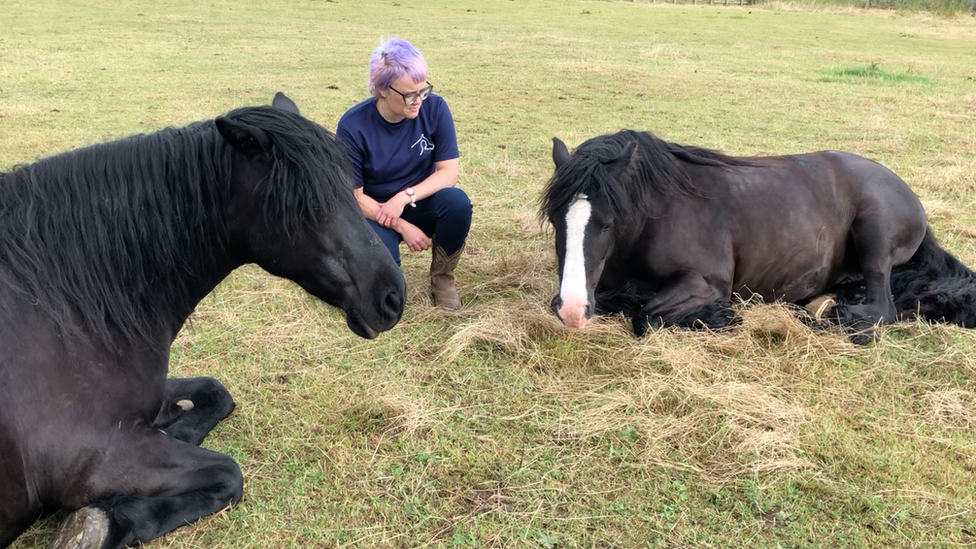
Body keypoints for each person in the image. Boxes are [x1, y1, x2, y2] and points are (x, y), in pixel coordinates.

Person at [336, 37, 472, 311]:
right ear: (383, 89)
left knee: (457, 203)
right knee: (391, 291)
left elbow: (448, 174)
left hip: (415, 202)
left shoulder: (435, 108)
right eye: (410, 94)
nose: (418, 101)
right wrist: (400, 225)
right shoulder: (352, 126)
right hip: (373, 214)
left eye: (423, 90)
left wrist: (405, 197)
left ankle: (442, 279)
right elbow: (355, 198)